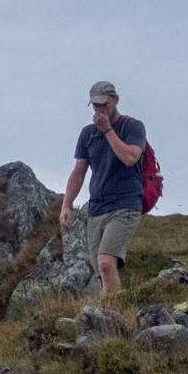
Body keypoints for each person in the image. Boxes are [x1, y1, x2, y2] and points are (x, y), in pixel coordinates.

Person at [57, 80, 146, 298]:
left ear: (115, 100)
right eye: (95, 106)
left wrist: (107, 129)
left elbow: (130, 157)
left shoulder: (132, 127)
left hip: (125, 205)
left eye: (103, 104)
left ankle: (114, 313)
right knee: (101, 274)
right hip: (96, 209)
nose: (99, 109)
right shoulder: (87, 134)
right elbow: (79, 172)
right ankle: (109, 321)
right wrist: (66, 205)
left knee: (106, 263)